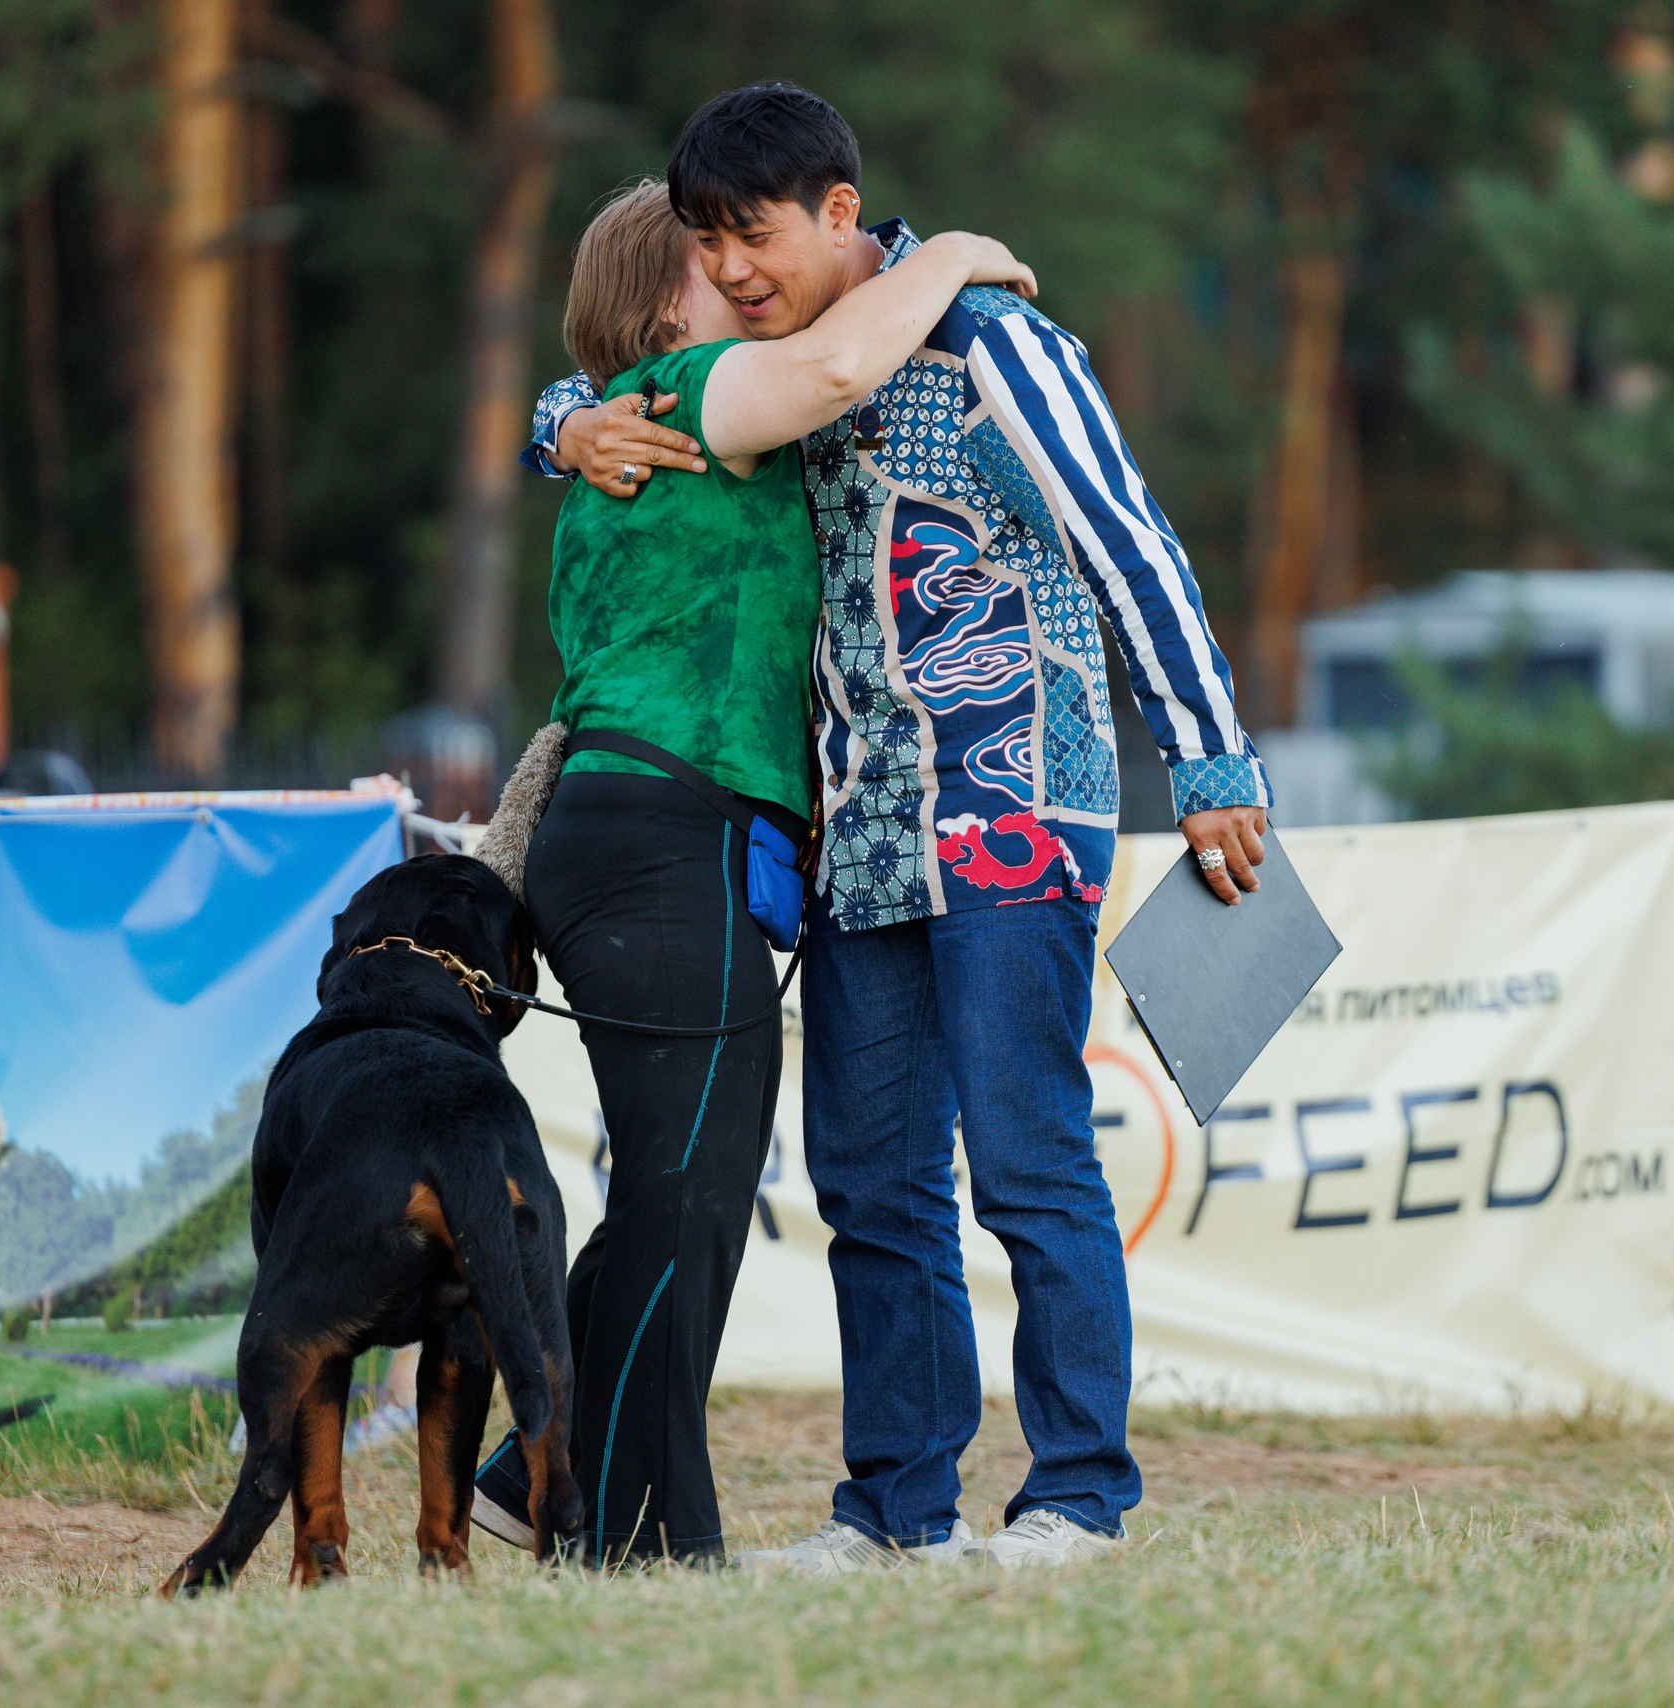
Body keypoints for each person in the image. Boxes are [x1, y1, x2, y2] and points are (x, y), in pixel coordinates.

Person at [523, 85, 1272, 1572]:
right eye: (709, 246)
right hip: (859, 830)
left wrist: (1208, 756)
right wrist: (562, 421)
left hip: (1013, 805)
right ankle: (892, 1508)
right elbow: (649, 397)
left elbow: (1133, 537)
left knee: (1028, 1157)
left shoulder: (999, 344)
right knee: (871, 1178)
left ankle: (1078, 1496)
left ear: (840, 214)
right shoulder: (786, 366)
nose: (734, 270)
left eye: (756, 236)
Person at [466, 180, 1039, 1568]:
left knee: (679, 1185)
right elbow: (847, 358)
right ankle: (641, 1535)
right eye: (711, 256)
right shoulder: (701, 392)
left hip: (633, 832)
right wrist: (953, 250)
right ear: (669, 301)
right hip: (670, 832)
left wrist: (559, 417)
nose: (743, 268)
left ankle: (535, 1475)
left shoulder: (637, 419)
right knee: (689, 1196)